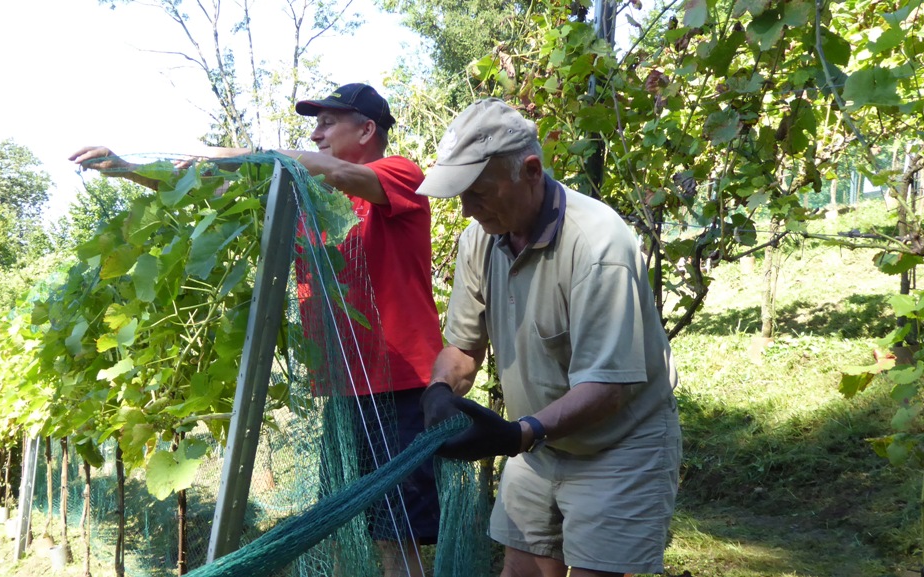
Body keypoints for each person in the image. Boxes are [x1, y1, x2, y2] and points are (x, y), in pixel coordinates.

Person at [70, 83, 443, 577]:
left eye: (328, 122)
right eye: (316, 124)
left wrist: (244, 153)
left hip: (400, 385)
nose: (316, 133)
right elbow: (215, 193)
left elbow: (334, 170)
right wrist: (129, 168)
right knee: (345, 525)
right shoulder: (306, 196)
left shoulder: (398, 175)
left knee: (399, 536)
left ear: (367, 128)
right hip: (341, 386)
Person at [416, 98, 682, 577]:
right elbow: (463, 348)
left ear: (531, 171)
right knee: (520, 571)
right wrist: (439, 391)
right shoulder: (480, 238)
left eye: (477, 191)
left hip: (619, 444)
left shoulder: (599, 244)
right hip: (537, 447)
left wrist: (520, 433)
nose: (466, 208)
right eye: (459, 194)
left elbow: (608, 389)